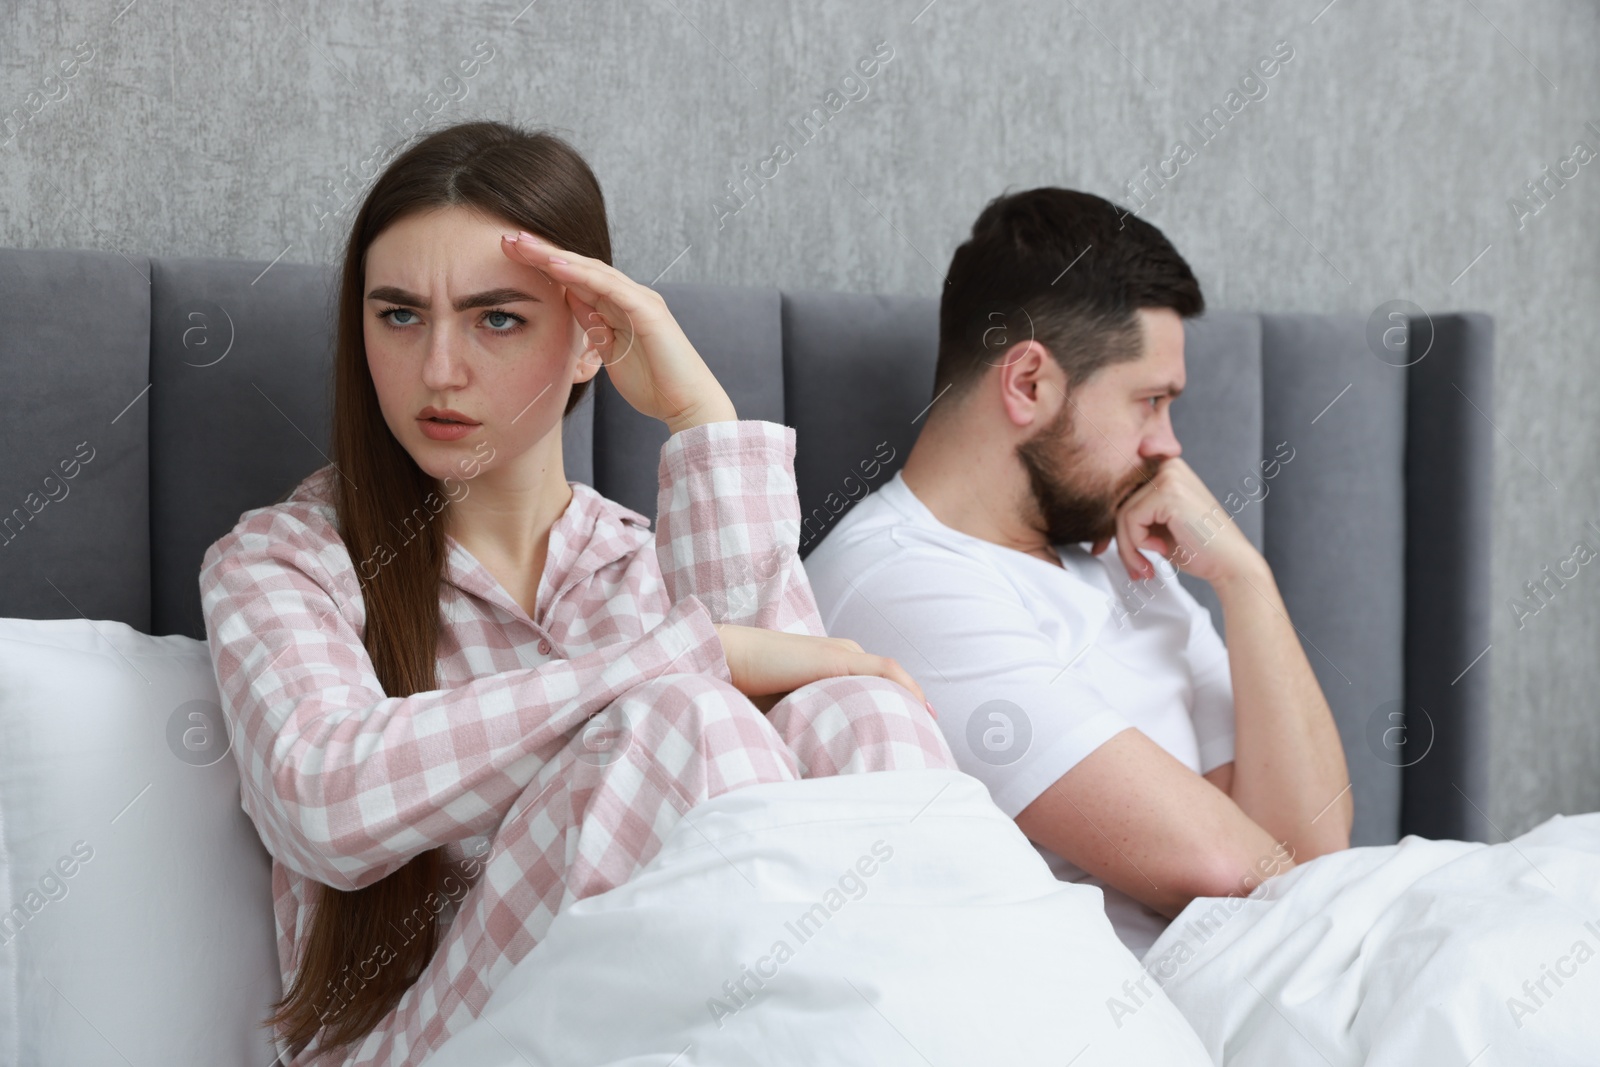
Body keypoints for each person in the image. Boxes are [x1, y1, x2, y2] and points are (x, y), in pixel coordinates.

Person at [198, 120, 952, 1067]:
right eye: (398, 315)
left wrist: (699, 416)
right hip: (416, 1046)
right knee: (683, 717)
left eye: (496, 318)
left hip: (692, 1030)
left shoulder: (641, 565)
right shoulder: (283, 559)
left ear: (592, 340)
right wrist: (687, 657)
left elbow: (796, 706)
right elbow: (323, 799)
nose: (439, 368)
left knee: (862, 715)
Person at [803, 186, 1353, 960]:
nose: (1169, 447)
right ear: (1029, 383)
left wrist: (1245, 582)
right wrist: (1250, 836)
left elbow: (1315, 849)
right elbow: (1232, 869)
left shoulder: (1116, 554)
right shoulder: (901, 583)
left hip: (1282, 965)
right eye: (1150, 401)